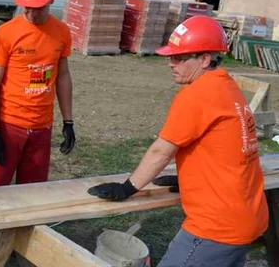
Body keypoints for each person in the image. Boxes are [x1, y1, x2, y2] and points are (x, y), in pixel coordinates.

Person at [88, 16, 268, 267]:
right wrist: (190, 179)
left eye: (179, 58)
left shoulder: (197, 95)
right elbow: (225, 150)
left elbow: (161, 151)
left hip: (216, 227)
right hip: (248, 215)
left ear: (205, 59)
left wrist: (128, 188)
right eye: (170, 57)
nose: (171, 64)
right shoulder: (227, 87)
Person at [0, 0, 76, 189]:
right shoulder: (5, 34)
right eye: (27, 6)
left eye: (38, 6)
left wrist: (68, 121)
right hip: (9, 126)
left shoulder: (62, 32)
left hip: (42, 128)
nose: (31, 12)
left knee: (33, 191)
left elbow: (62, 76)